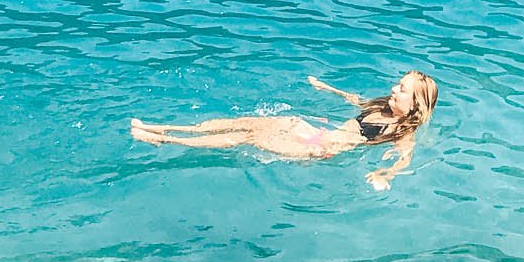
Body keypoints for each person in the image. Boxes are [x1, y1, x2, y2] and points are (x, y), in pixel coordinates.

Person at [130, 70, 438, 191]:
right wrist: (326, 88)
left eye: (402, 90)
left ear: (415, 106)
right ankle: (165, 126)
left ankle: (163, 139)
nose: (393, 89)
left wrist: (385, 174)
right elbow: (353, 99)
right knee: (248, 122)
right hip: (312, 129)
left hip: (319, 148)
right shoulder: (380, 106)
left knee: (248, 137)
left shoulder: (402, 132)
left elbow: (404, 160)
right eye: (398, 84)